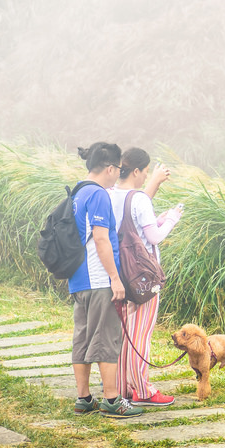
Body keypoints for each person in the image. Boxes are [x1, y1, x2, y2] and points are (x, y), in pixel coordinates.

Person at [70, 142, 144, 418]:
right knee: (106, 338)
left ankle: (84, 398)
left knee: (82, 337)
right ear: (110, 168)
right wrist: (115, 278)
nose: (118, 175)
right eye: (118, 170)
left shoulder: (76, 192)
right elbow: (101, 238)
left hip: (78, 278)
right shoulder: (98, 195)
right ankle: (112, 400)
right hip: (99, 277)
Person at [110, 147, 183, 406]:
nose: (146, 177)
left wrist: (156, 218)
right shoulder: (138, 198)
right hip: (143, 277)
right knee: (140, 334)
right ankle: (143, 389)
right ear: (137, 170)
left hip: (119, 274)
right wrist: (172, 219)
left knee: (125, 332)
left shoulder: (110, 194)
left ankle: (123, 388)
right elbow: (153, 238)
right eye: (146, 172)